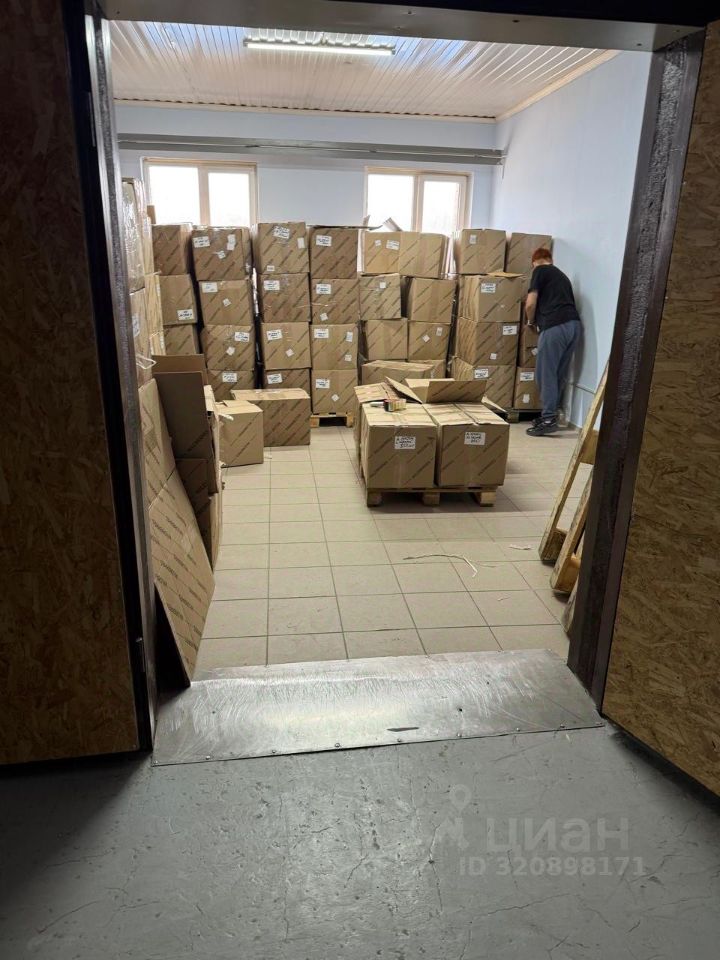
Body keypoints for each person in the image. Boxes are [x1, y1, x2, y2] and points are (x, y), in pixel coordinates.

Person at [523, 248, 582, 437]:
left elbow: (530, 303)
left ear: (534, 262)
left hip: (554, 326)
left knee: (545, 374)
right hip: (574, 326)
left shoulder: (539, 271)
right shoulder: (562, 276)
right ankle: (551, 415)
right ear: (551, 259)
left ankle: (548, 419)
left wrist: (530, 322)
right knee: (558, 374)